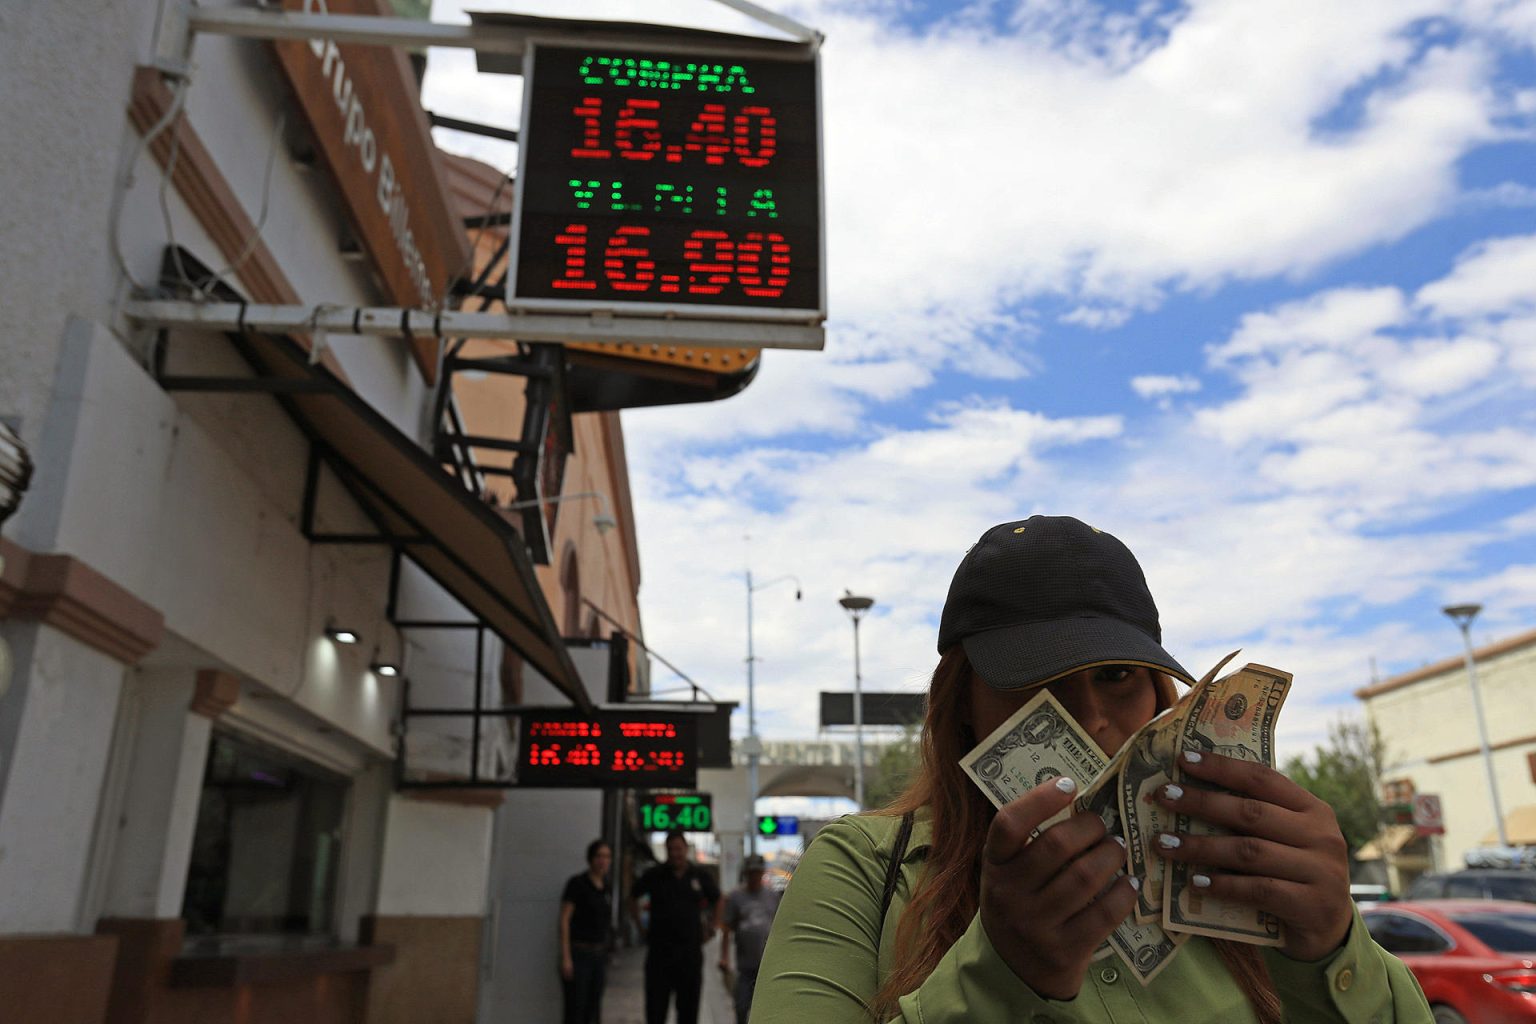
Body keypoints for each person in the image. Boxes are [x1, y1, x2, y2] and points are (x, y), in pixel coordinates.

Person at [751, 516, 1435, 1023]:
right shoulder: (862, 868)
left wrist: (1330, 948)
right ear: (962, 705)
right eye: (1035, 681)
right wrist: (1000, 975)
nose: (1090, 717)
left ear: (1161, 694)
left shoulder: (1238, 880)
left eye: (1116, 677)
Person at [631, 831, 722, 1024]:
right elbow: (632, 897)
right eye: (671, 849)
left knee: (688, 1012)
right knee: (656, 1011)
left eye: (679, 849)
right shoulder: (655, 875)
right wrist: (640, 928)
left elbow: (718, 898)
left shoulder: (699, 875)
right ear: (666, 851)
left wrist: (713, 927)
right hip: (659, 955)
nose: (675, 853)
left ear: (686, 850)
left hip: (690, 955)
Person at [718, 854, 783, 1024]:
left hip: (768, 967)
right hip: (745, 968)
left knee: (769, 1011)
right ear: (746, 874)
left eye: (757, 872)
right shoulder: (735, 897)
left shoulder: (772, 897)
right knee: (741, 1007)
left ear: (762, 873)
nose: (754, 876)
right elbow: (726, 930)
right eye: (751, 873)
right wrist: (724, 957)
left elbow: (780, 928)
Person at [559, 838, 614, 1024]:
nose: (603, 861)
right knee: (576, 1009)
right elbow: (565, 919)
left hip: (599, 955)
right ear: (591, 858)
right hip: (579, 954)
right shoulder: (577, 884)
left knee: (593, 1008)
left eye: (607, 857)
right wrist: (566, 957)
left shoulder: (607, 887)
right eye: (599, 856)